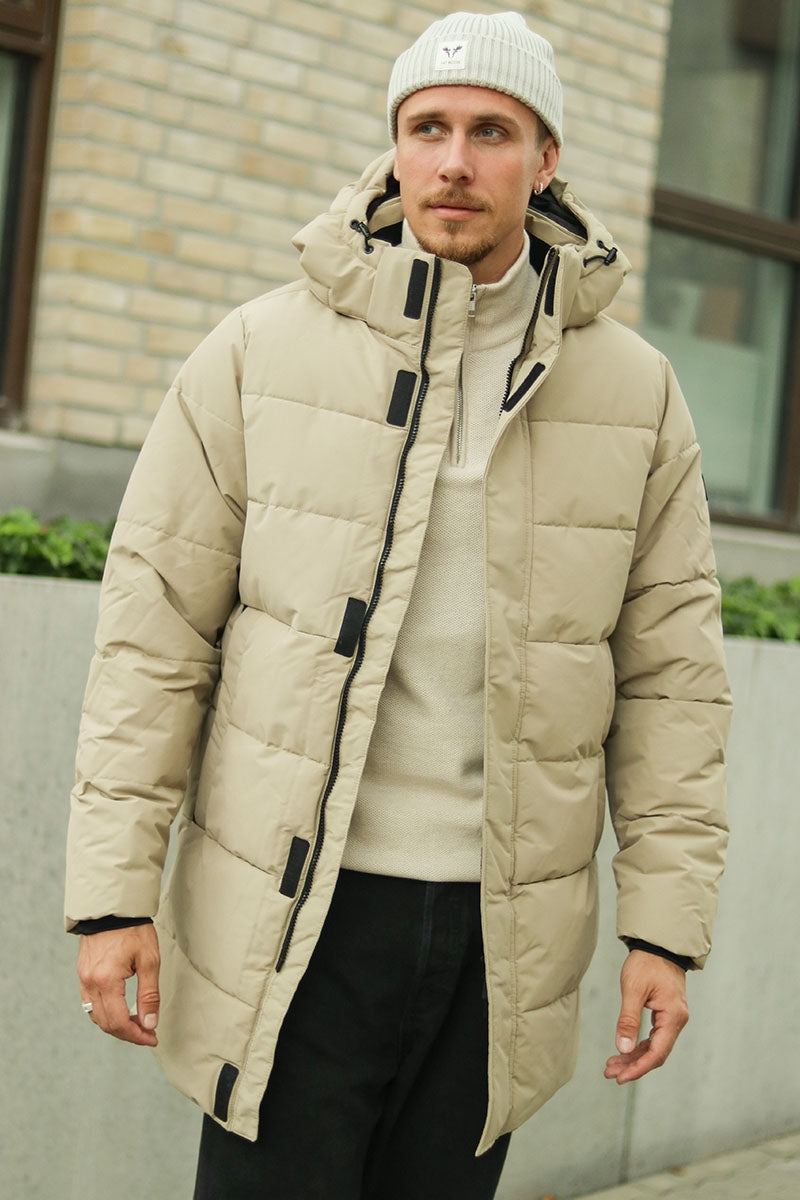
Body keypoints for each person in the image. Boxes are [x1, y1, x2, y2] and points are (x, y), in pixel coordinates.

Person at [66, 11, 732, 1200]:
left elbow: (671, 684)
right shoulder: (257, 354)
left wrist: (662, 930)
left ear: (545, 159)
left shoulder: (635, 393)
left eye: (490, 132)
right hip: (292, 918)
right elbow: (152, 641)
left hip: (500, 937)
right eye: (426, 128)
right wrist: (113, 898)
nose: (452, 162)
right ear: (391, 147)